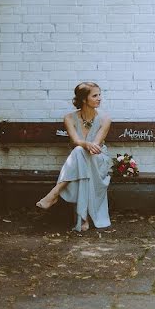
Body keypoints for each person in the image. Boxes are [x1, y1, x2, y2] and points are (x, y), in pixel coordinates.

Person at [36, 82, 112, 232]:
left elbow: (95, 146)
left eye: (99, 95)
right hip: (81, 161)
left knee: (79, 152)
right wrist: (83, 145)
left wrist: (84, 145)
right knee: (79, 152)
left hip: (98, 158)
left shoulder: (105, 119)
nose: (99, 98)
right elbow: (75, 141)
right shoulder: (69, 118)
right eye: (95, 95)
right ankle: (83, 218)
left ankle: (55, 194)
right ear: (84, 99)